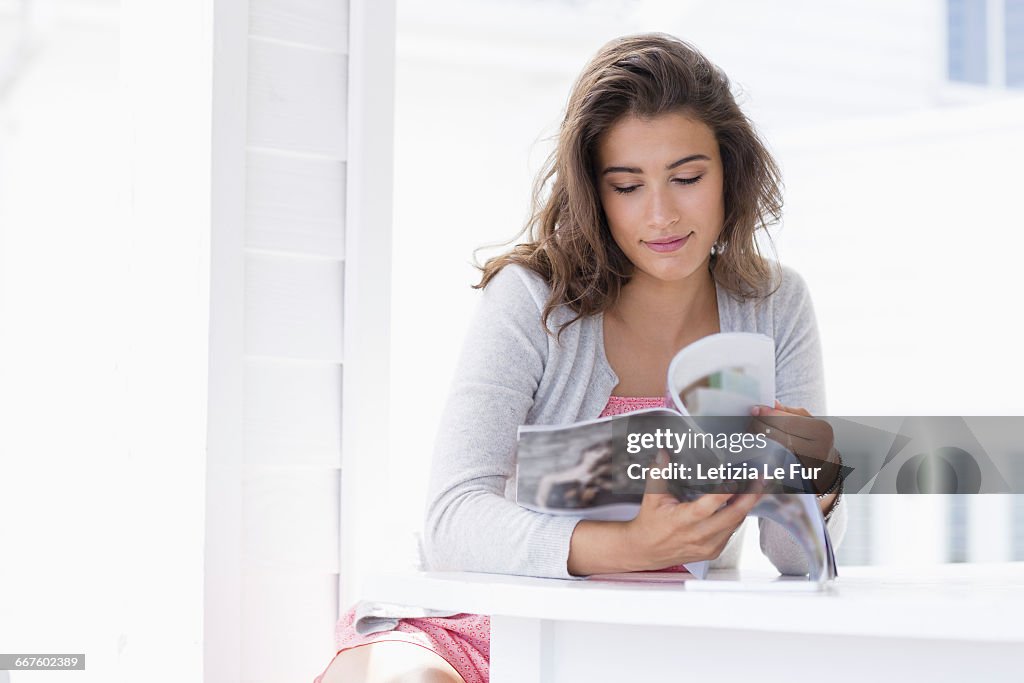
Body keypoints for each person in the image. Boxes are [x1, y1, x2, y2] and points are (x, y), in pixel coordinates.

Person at [314, 32, 847, 683]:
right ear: (594, 192)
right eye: (627, 185)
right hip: (477, 620)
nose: (660, 214)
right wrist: (630, 546)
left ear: (729, 173)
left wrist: (813, 492)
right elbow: (453, 517)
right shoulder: (533, 298)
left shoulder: (774, 303)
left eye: (687, 177)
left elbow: (795, 560)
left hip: (643, 646)